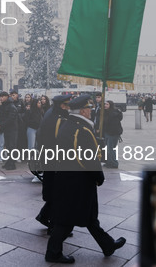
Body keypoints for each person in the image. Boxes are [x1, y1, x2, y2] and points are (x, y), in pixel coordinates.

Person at [45, 95, 125, 263]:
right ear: (82, 110)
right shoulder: (82, 129)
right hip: (78, 181)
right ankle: (53, 252)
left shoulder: (69, 124)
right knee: (66, 220)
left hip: (68, 177)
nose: (91, 110)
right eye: (88, 108)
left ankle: (107, 245)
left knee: (89, 217)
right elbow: (88, 159)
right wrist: (98, 176)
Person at [35, 94, 71, 232]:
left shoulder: (52, 113)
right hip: (54, 159)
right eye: (67, 104)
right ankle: (54, 227)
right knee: (58, 192)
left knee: (55, 191)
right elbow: (58, 140)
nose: (69, 107)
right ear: (62, 105)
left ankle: (44, 216)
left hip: (49, 157)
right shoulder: (56, 118)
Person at [0, 91, 19, 170]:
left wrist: (2, 124)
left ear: (7, 97)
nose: (1, 98)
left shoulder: (11, 106)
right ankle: (8, 162)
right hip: (7, 129)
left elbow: (11, 118)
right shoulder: (3, 105)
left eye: (3, 96)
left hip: (12, 129)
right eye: (0, 96)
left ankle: (12, 163)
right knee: (8, 146)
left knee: (12, 146)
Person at [103, 100, 123, 169]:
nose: (105, 105)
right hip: (107, 132)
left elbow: (114, 125)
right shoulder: (106, 112)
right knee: (108, 148)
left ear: (110, 105)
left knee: (111, 149)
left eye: (107, 104)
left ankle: (114, 163)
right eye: (105, 104)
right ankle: (109, 162)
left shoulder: (113, 114)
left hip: (113, 133)